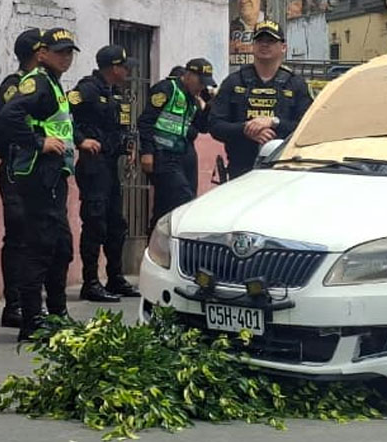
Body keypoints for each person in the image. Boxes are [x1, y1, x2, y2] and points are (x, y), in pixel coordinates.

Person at [0, 27, 99, 341]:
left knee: (60, 247)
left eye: (69, 52)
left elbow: (62, 124)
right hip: (38, 175)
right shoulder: (36, 82)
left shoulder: (52, 83)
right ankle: (32, 321)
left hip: (54, 176)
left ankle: (56, 314)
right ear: (43, 54)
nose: (66, 57)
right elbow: (7, 118)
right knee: (38, 248)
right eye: (60, 51)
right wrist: (38, 143)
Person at [69, 44, 140, 303]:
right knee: (95, 223)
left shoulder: (116, 92)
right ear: (113, 67)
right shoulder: (88, 88)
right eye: (124, 67)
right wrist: (80, 140)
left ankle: (115, 277)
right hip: (92, 165)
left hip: (110, 165)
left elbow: (116, 128)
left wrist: (127, 146)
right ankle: (90, 282)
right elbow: (64, 113)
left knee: (116, 225)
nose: (128, 72)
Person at [0, 28, 43, 328]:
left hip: (41, 174)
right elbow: (3, 125)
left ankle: (34, 302)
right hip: (17, 170)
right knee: (19, 235)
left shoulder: (46, 84)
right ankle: (15, 304)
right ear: (38, 53)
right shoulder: (15, 85)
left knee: (40, 238)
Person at [210, 21, 313, 180]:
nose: (264, 45)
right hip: (240, 171)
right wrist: (246, 129)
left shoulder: (296, 84)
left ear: (283, 47)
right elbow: (215, 125)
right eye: (259, 40)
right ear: (253, 46)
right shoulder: (234, 81)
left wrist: (274, 122)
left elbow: (308, 127)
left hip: (284, 171)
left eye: (271, 41)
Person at [138, 59, 217, 225]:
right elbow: (145, 122)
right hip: (163, 154)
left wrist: (209, 105)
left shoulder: (195, 96)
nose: (202, 87)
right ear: (188, 75)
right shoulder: (167, 89)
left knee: (165, 207)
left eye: (205, 84)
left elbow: (202, 127)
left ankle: (156, 246)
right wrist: (147, 152)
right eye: (200, 82)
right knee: (183, 199)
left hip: (184, 154)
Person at [230, 0, 264, 64]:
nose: (244, 0)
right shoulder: (229, 27)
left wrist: (253, 48)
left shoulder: (270, 25)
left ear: (259, 0)